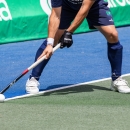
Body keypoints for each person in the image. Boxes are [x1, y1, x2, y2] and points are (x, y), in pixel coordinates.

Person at [26, 0, 130, 94]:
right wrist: (50, 43)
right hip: (67, 6)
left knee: (112, 34)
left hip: (94, 5)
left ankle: (116, 79)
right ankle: (33, 78)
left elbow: (84, 9)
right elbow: (55, 14)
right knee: (55, 37)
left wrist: (68, 32)